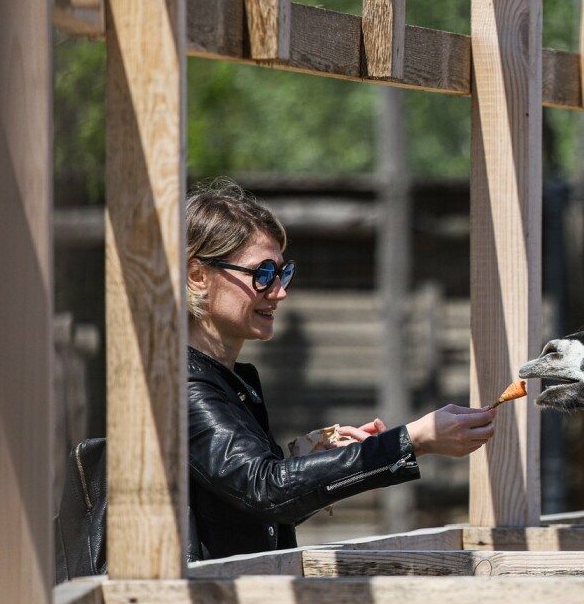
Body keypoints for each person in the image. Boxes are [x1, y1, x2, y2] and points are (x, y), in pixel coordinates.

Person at [185, 179, 496, 559]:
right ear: (198, 276)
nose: (279, 291)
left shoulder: (227, 381)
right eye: (262, 274)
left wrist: (306, 461)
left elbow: (252, 511)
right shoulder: (185, 382)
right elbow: (266, 491)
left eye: (282, 273)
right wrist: (412, 440)